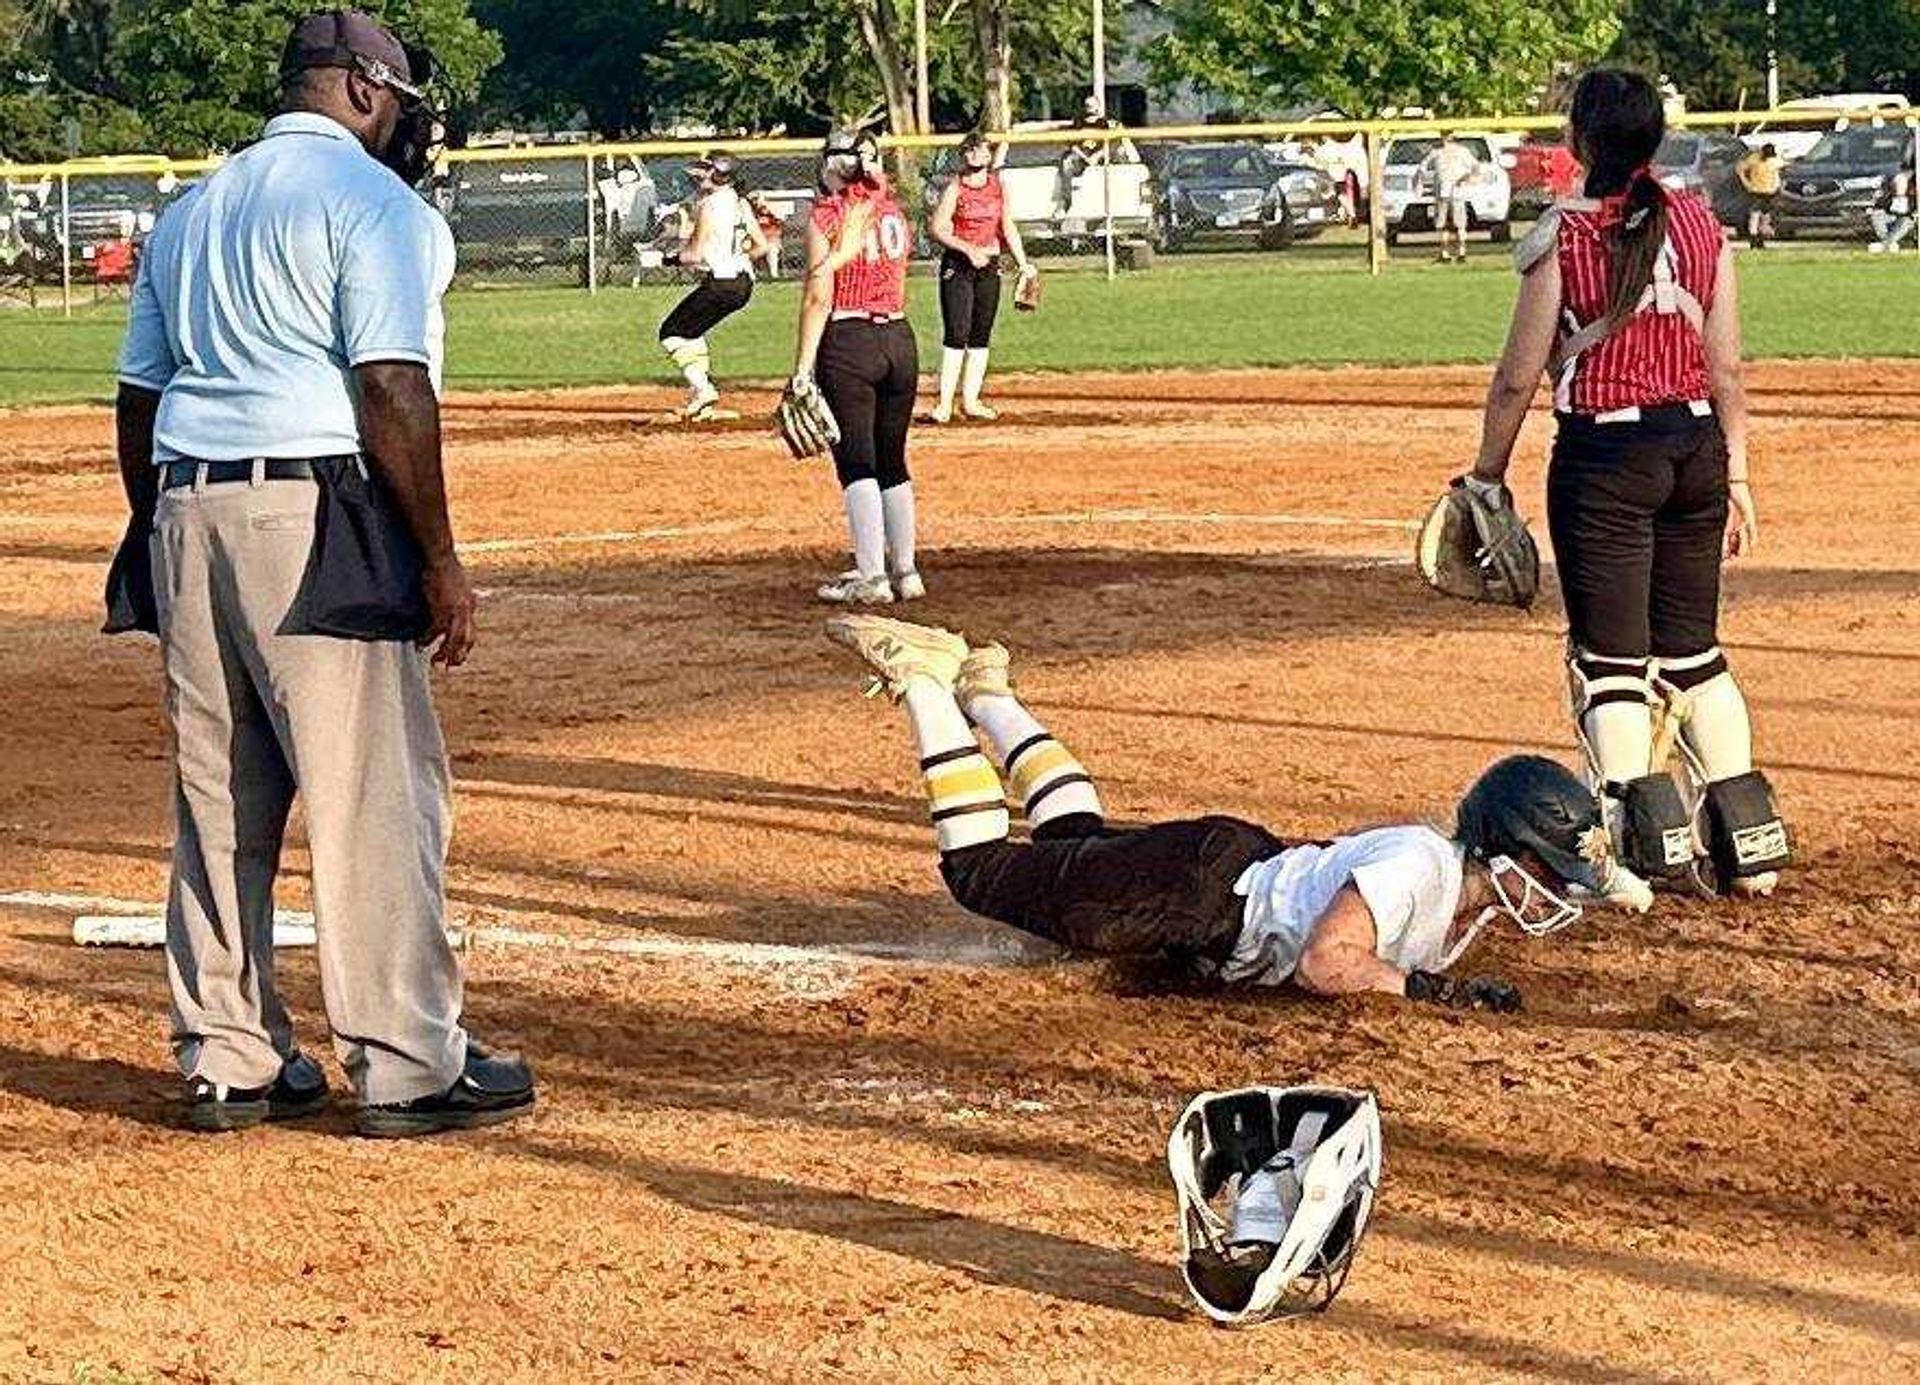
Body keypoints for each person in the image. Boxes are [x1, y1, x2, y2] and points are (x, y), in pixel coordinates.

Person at [112, 9, 534, 1136]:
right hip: (311, 502)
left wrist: (151, 531)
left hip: (184, 502)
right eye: (391, 100)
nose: (396, 122)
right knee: (372, 792)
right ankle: (406, 1061)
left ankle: (225, 1054)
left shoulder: (191, 209)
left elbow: (139, 397)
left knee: (219, 797)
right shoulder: (371, 205)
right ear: (356, 87)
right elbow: (392, 386)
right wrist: (439, 560)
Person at [822, 614, 1649, 1009]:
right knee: (980, 869)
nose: (1551, 892)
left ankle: (990, 693)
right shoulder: (1419, 865)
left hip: (1216, 872)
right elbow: (1329, 962)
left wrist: (1620, 880)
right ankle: (926, 682)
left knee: (1072, 843)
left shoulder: (1448, 873)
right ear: (1504, 849)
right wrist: (1431, 990)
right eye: (1546, 871)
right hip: (1193, 900)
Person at [1464, 68, 1790, 902]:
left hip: (1606, 460)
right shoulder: (1699, 223)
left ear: (1578, 142)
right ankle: (1750, 845)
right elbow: (1726, 366)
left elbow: (1516, 378)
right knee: (1694, 654)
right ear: (1655, 139)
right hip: (1697, 449)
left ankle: (1631, 861)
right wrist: (1740, 472)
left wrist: (1486, 477)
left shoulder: (1564, 236)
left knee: (1611, 664)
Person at [791, 129, 923, 606]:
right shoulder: (891, 209)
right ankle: (905, 570)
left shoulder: (827, 215)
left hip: (850, 340)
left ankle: (871, 574)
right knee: (893, 459)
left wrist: (802, 370)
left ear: (831, 166)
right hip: (900, 338)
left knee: (857, 462)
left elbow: (819, 294)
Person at [926, 131, 1035, 423]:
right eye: (971, 150)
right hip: (959, 265)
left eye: (982, 150)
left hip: (989, 263)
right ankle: (944, 404)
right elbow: (937, 228)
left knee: (980, 333)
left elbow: (1007, 226)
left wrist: (1024, 264)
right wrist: (967, 248)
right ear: (963, 155)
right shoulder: (956, 188)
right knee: (956, 333)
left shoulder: (998, 186)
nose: (976, 155)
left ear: (989, 156)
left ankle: (971, 401)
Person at [657, 152, 767, 420]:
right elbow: (762, 246)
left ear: (718, 174)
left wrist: (665, 259)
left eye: (705, 170)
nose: (697, 175)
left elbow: (694, 255)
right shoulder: (740, 202)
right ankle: (701, 394)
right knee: (691, 332)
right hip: (743, 284)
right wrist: (736, 258)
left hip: (721, 283)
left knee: (671, 333)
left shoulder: (709, 204)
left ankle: (703, 389)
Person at [1420, 132, 1480, 264]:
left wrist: (1465, 178)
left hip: (1457, 193)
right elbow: (1423, 167)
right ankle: (1445, 254)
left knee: (1460, 225)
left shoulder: (1462, 152)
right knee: (1443, 225)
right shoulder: (1437, 152)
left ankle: (1461, 254)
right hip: (1442, 194)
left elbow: (1475, 167)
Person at [1056, 95, 1119, 215]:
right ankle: (1066, 201)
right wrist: (1085, 157)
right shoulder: (1078, 122)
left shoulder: (1104, 124)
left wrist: (1097, 156)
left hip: (1098, 157)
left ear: (1097, 107)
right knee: (1067, 162)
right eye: (1087, 105)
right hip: (1080, 156)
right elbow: (1072, 145)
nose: (1089, 108)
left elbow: (1108, 145)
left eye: (1091, 105)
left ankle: (1110, 207)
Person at [1735, 143, 1783, 249]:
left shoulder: (1772, 160)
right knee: (1756, 216)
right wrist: (1746, 183)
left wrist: (1776, 185)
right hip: (1758, 192)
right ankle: (1754, 241)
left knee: (1763, 217)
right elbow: (1740, 169)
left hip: (1767, 192)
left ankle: (1759, 241)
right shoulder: (1755, 159)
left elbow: (1777, 173)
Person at [1869, 167, 1915, 252]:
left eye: (1902, 184)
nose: (1899, 186)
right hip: (1887, 218)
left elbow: (1911, 215)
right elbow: (1878, 208)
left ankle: (1883, 246)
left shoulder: (1912, 197)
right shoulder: (1887, 195)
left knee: (1907, 221)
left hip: (1902, 220)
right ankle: (1889, 244)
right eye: (1896, 184)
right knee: (1877, 215)